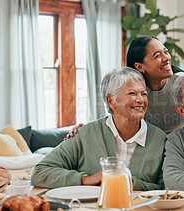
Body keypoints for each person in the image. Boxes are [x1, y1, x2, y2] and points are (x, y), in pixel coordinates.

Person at [31, 68, 166, 190]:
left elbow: (166, 187)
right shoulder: (86, 134)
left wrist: (129, 182)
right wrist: (85, 180)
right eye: (132, 93)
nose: (140, 100)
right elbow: (40, 172)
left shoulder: (160, 140)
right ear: (111, 101)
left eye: (144, 94)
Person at [65, 37, 184, 137]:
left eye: (166, 52)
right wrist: (85, 131)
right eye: (157, 55)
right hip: (147, 147)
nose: (166, 58)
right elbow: (116, 119)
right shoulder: (132, 91)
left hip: (179, 147)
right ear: (139, 67)